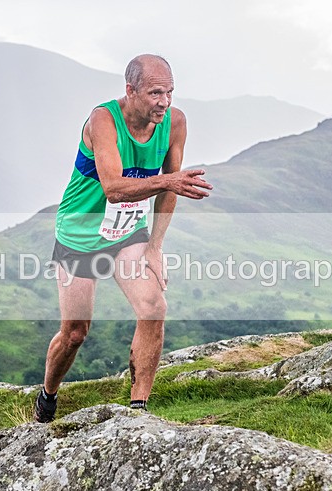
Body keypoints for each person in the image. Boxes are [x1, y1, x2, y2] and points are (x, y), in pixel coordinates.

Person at [34, 54, 212, 423]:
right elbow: (114, 188)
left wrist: (155, 246)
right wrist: (167, 180)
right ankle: (47, 397)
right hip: (80, 233)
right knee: (75, 333)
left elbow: (169, 191)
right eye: (155, 93)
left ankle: (138, 412)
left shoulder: (174, 122)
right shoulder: (103, 120)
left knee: (153, 307)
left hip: (128, 231)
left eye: (170, 92)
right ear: (130, 91)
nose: (164, 102)